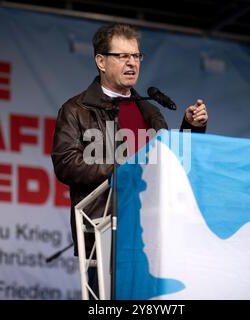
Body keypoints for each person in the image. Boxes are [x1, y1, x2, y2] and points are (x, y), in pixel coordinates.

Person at [51, 23, 208, 296]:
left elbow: (171, 164)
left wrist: (190, 128)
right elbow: (66, 164)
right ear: (101, 61)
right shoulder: (76, 110)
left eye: (136, 56)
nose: (131, 63)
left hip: (152, 234)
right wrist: (120, 169)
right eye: (122, 56)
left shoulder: (149, 110)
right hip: (104, 231)